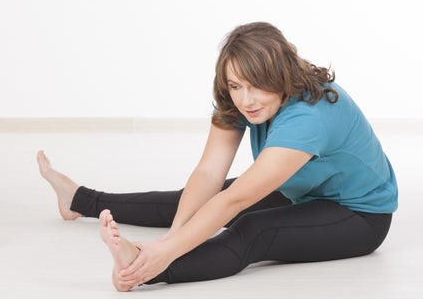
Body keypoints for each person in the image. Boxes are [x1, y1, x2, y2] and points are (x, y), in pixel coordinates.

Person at [37, 21, 397, 291]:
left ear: (282, 75)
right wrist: (175, 235)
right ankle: (78, 200)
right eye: (236, 86)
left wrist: (165, 254)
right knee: (195, 201)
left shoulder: (310, 116)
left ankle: (145, 270)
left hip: (358, 214)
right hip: (300, 189)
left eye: (257, 86)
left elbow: (237, 200)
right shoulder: (240, 98)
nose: (246, 100)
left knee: (252, 229)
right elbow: (209, 173)